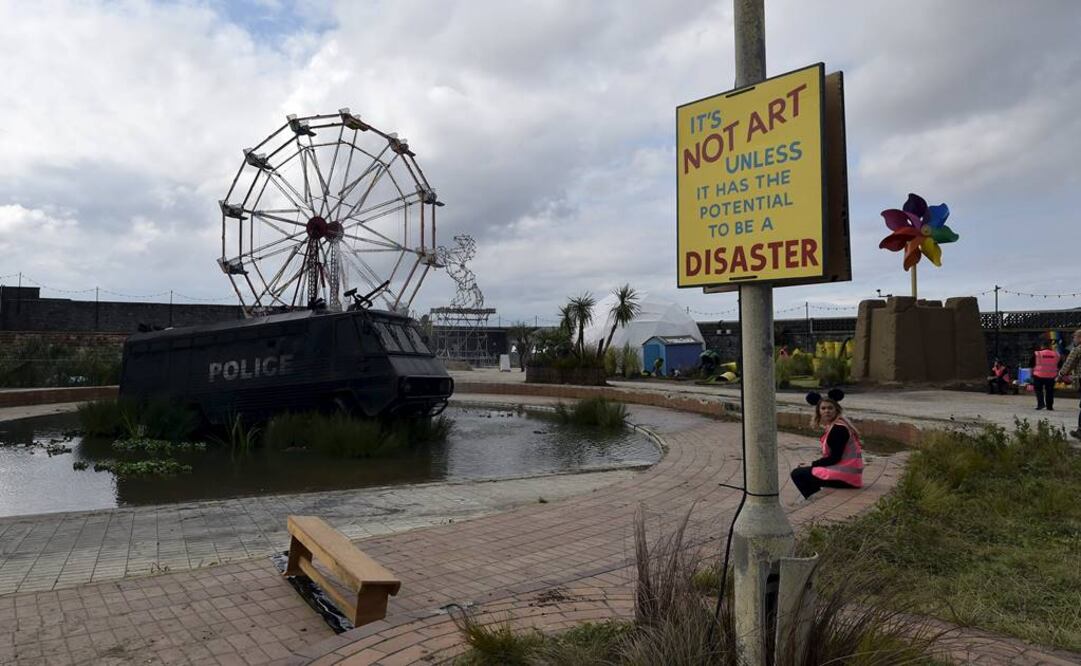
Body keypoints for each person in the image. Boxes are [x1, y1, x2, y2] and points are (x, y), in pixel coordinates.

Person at [790, 388, 864, 500]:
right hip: (849, 475)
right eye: (823, 408)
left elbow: (835, 458)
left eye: (830, 408)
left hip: (845, 477)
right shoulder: (836, 425)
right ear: (818, 411)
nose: (827, 411)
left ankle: (813, 501)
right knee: (806, 472)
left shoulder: (838, 429)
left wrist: (813, 464)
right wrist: (812, 465)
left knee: (797, 474)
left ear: (836, 410)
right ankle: (816, 498)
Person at [1056, 329, 1081, 440]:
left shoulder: (1077, 349)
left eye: (1074, 337)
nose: (1073, 340)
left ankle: (1080, 431)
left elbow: (1068, 364)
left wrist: (1060, 375)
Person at [1032, 341, 1061, 411]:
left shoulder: (1037, 354)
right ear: (1050, 346)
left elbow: (1031, 364)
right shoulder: (1057, 355)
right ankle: (1049, 406)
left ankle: (1041, 404)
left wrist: (1031, 375)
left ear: (1042, 346)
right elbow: (1059, 366)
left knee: (1039, 390)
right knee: (1050, 391)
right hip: (1051, 376)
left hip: (1038, 375)